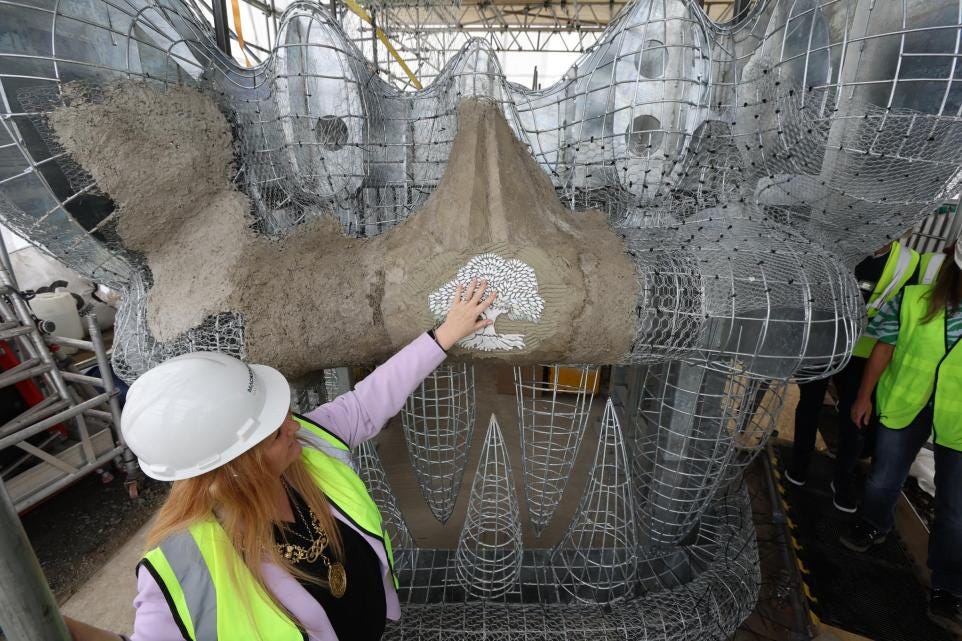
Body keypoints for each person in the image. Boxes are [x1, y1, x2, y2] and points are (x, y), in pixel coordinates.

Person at [62, 279, 498, 641]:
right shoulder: (185, 564)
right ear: (230, 463)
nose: (294, 426)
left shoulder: (305, 448)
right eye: (273, 431)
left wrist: (444, 335)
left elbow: (368, 402)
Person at [842, 243, 962, 636]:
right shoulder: (915, 300)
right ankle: (874, 525)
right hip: (908, 401)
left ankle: (948, 585)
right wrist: (863, 396)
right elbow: (884, 347)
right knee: (883, 478)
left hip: (958, 421)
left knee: (955, 509)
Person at [786, 241, 919, 512]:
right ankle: (799, 463)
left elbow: (900, 312)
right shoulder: (837, 245)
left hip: (864, 353)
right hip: (822, 341)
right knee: (809, 404)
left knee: (856, 416)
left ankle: (842, 478)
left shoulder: (908, 262)